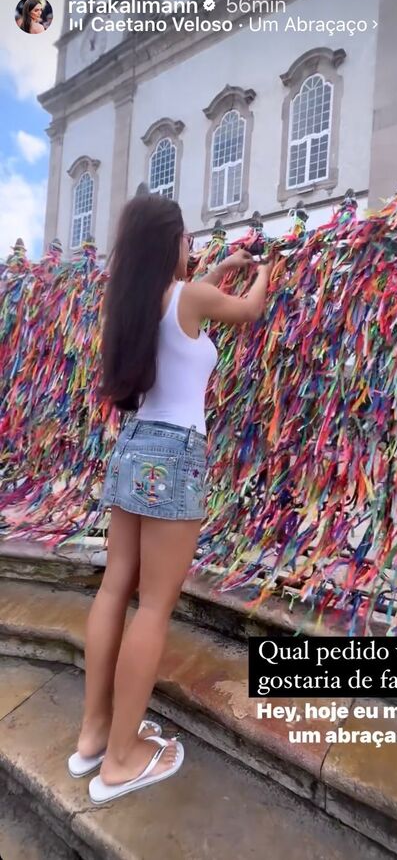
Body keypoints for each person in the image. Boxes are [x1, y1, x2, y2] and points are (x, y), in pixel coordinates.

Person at [69, 194, 271, 803]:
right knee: (154, 607)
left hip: (132, 446)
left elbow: (187, 300)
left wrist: (217, 268)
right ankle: (122, 762)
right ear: (169, 244)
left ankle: (94, 737)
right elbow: (248, 312)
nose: (192, 248)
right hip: (176, 454)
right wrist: (265, 272)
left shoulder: (132, 300)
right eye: (186, 239)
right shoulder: (188, 299)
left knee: (114, 588)